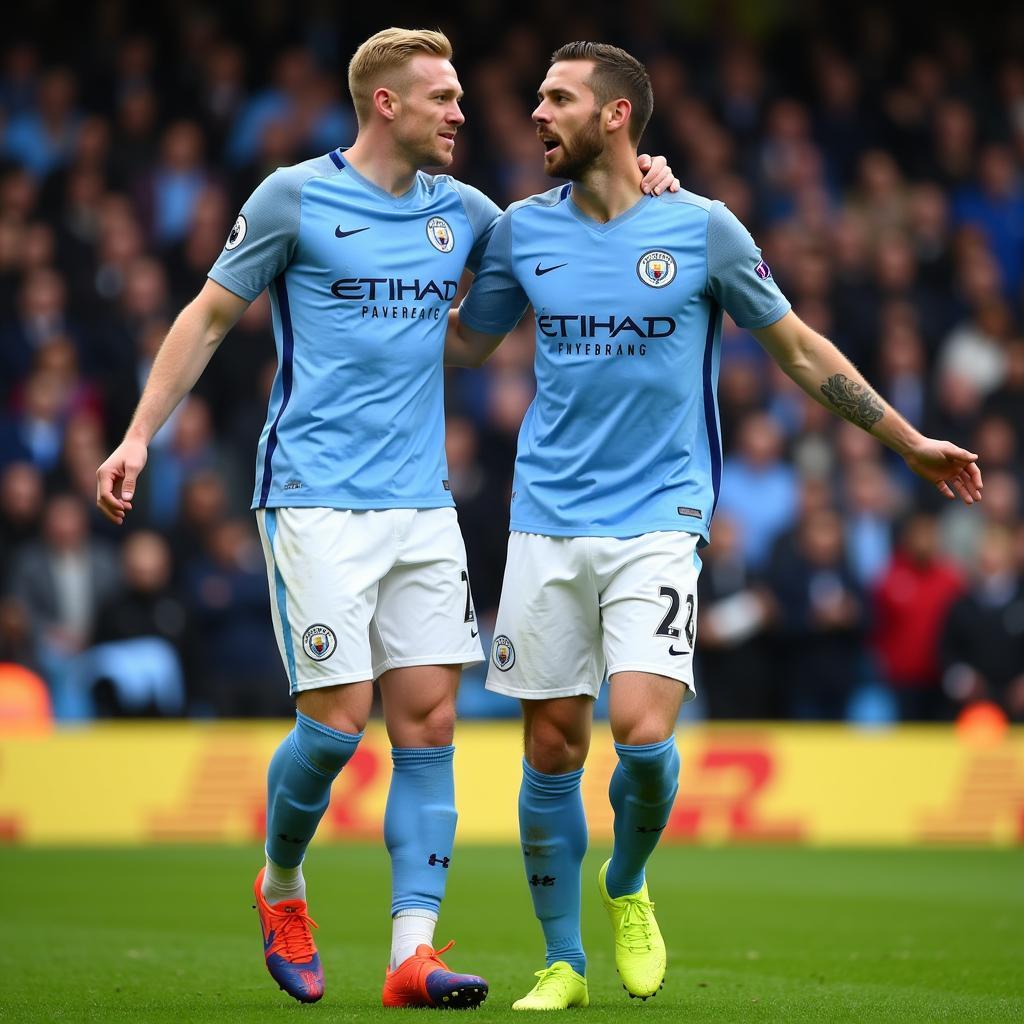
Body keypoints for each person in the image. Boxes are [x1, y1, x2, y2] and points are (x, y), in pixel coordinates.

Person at [94, 27, 677, 1010]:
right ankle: (281, 880)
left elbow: (543, 257)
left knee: (430, 722)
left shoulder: (471, 215)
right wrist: (140, 437)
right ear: (385, 105)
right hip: (314, 497)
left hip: (420, 507)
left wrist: (646, 174)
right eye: (442, 97)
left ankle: (411, 953)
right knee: (334, 727)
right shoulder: (293, 197)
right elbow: (203, 315)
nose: (463, 112)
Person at [445, 42, 984, 1010]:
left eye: (557, 98)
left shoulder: (703, 230)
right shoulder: (524, 231)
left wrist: (907, 442)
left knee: (644, 739)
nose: (535, 113)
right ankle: (562, 959)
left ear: (615, 116)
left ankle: (625, 881)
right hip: (546, 518)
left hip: (659, 515)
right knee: (553, 750)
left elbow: (797, 347)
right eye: (535, 97)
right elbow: (461, 342)